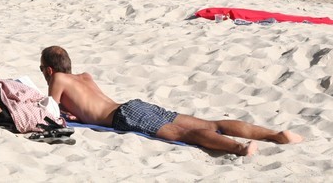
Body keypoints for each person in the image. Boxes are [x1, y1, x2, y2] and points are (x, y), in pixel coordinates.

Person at [40, 46, 303, 156]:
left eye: (42, 69)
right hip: (134, 105)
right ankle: (277, 135)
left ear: (50, 70)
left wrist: (60, 112)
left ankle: (238, 148)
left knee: (184, 134)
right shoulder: (84, 76)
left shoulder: (58, 80)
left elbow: (50, 111)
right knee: (211, 124)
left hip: (123, 117)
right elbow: (85, 105)